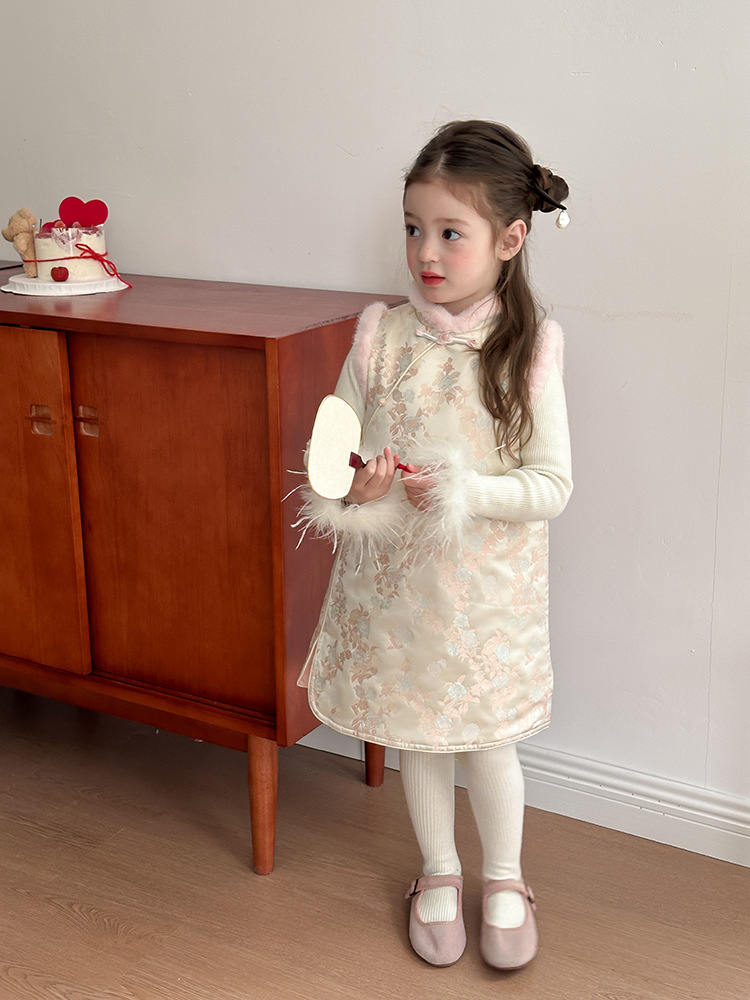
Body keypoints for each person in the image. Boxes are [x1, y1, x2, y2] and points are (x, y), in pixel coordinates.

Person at [298, 120, 573, 971]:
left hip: (486, 598)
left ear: (509, 239)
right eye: (414, 228)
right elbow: (330, 454)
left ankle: (506, 875)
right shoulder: (379, 336)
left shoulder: (528, 348)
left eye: (451, 232)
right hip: (399, 590)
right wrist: (354, 492)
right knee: (416, 733)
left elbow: (551, 485)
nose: (425, 251)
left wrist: (465, 489)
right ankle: (440, 868)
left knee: (487, 739)